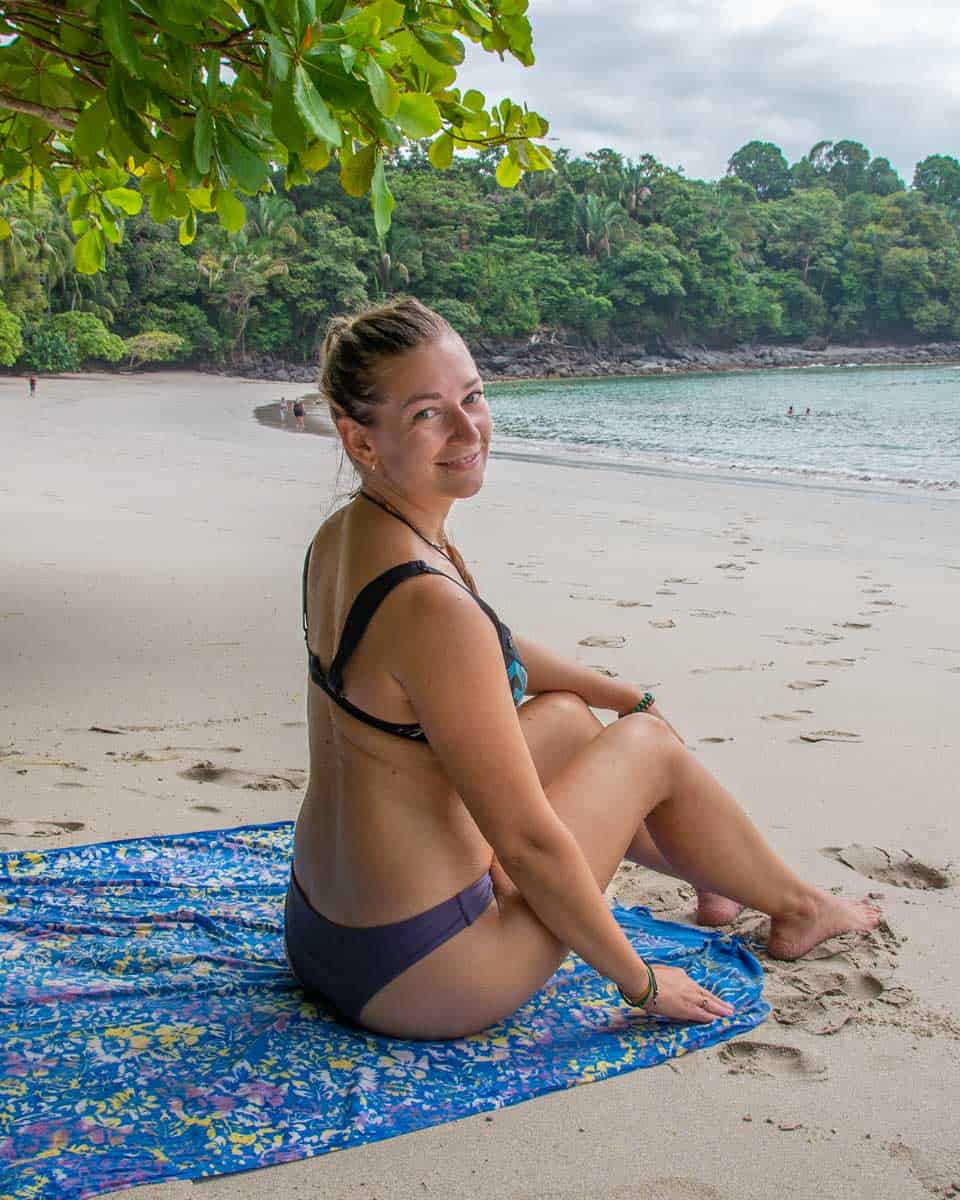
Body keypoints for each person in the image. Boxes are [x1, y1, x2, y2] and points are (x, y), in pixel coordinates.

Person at [286, 298, 880, 1041]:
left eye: (473, 396)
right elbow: (528, 844)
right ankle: (797, 907)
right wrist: (642, 981)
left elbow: (481, 652)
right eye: (428, 415)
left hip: (321, 933)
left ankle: (719, 874)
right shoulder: (432, 605)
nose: (469, 430)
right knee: (647, 749)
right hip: (424, 977)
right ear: (361, 441)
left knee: (569, 718)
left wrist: (614, 690)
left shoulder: (343, 537)